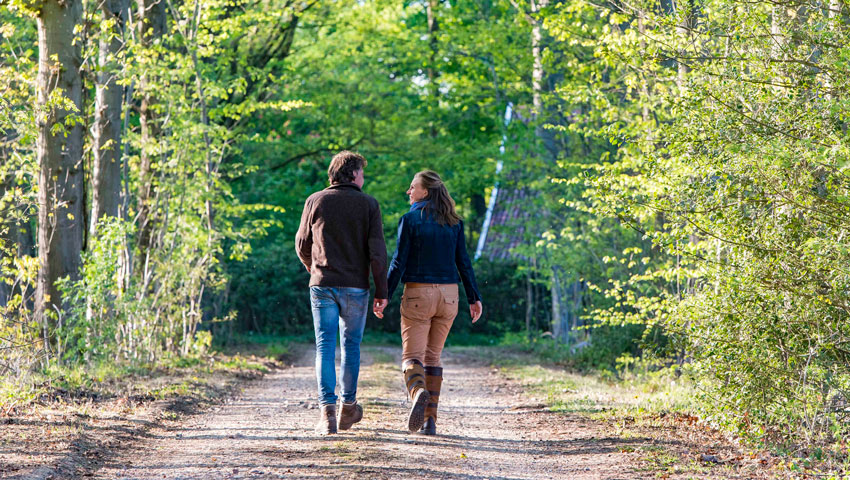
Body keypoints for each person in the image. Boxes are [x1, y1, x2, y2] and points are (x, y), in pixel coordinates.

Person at [376, 170, 483, 435]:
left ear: (425, 191)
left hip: (418, 294)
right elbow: (464, 263)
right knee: (433, 356)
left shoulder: (410, 220)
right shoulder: (454, 222)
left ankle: (417, 392)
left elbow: (399, 261)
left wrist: (384, 294)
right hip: (449, 296)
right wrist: (474, 297)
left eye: (412, 187)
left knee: (412, 357)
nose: (408, 192)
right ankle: (429, 421)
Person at [295, 151, 389, 435]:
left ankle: (327, 414)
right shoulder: (369, 204)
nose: (363, 177)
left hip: (322, 285)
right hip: (356, 287)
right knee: (351, 347)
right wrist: (381, 290)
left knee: (324, 346)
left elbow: (302, 244)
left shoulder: (316, 200)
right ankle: (348, 405)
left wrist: (315, 269)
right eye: (361, 172)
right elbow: (377, 252)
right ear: (352, 173)